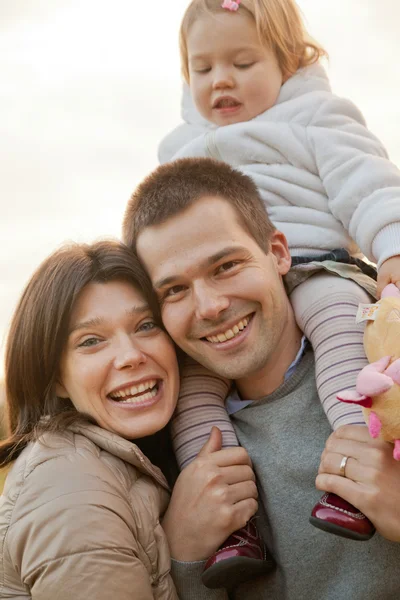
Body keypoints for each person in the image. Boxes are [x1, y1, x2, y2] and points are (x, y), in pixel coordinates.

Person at [156, 0, 400, 573]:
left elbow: (366, 184)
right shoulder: (178, 147)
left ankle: (356, 476)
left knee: (341, 320)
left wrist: (391, 245)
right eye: (203, 68)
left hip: (317, 267)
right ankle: (231, 530)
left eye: (242, 62)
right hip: (228, 294)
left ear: (288, 62)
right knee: (193, 387)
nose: (221, 81)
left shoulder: (317, 115)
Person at [123, 157, 400, 599]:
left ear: (278, 253)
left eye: (226, 266)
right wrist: (185, 557)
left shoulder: (387, 374)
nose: (209, 306)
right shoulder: (155, 452)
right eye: (174, 290)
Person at [0, 240, 258, 600]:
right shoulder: (71, 492)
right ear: (56, 377)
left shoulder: (133, 459)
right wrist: (182, 550)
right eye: (91, 341)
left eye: (146, 325)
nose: (131, 356)